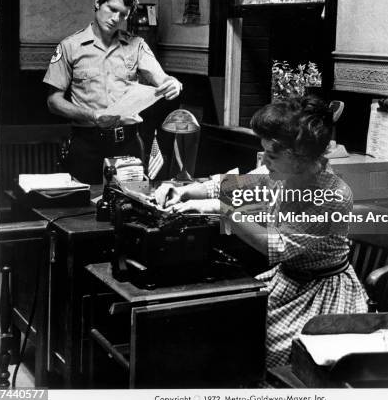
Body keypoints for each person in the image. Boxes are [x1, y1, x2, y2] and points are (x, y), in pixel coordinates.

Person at [155, 96, 368, 368]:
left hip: (322, 295)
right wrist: (184, 190)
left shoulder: (333, 195)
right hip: (288, 281)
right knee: (226, 326)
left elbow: (278, 247)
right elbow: (232, 186)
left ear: (301, 157)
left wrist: (222, 211)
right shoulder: (282, 172)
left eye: (272, 155)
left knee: (260, 345)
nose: (265, 162)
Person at [43, 0, 182, 184]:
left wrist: (174, 84)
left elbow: (162, 79)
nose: (116, 18)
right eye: (112, 9)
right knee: (82, 211)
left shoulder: (137, 45)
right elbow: (53, 102)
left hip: (128, 144)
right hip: (86, 144)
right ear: (98, 3)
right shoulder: (69, 46)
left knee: (132, 206)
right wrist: (93, 115)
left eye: (123, 14)